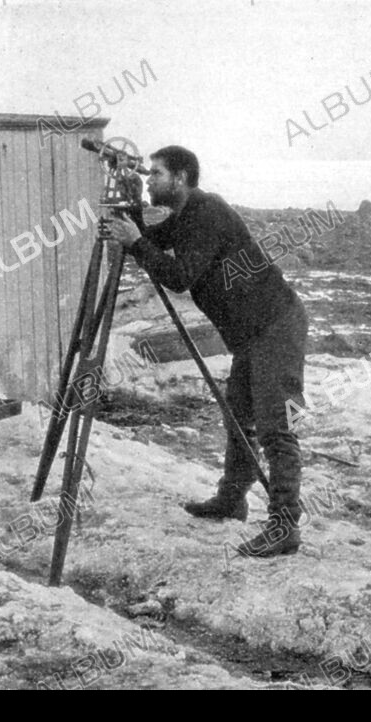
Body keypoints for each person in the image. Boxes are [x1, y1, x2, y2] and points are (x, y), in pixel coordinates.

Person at [105, 145, 308, 558]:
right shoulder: (187, 216)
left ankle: (285, 526)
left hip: (275, 326)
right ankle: (231, 499)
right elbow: (153, 240)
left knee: (275, 428)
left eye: (156, 174)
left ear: (180, 178)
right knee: (238, 417)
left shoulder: (208, 213)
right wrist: (128, 220)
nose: (150, 180)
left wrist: (136, 241)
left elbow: (178, 276)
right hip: (252, 334)